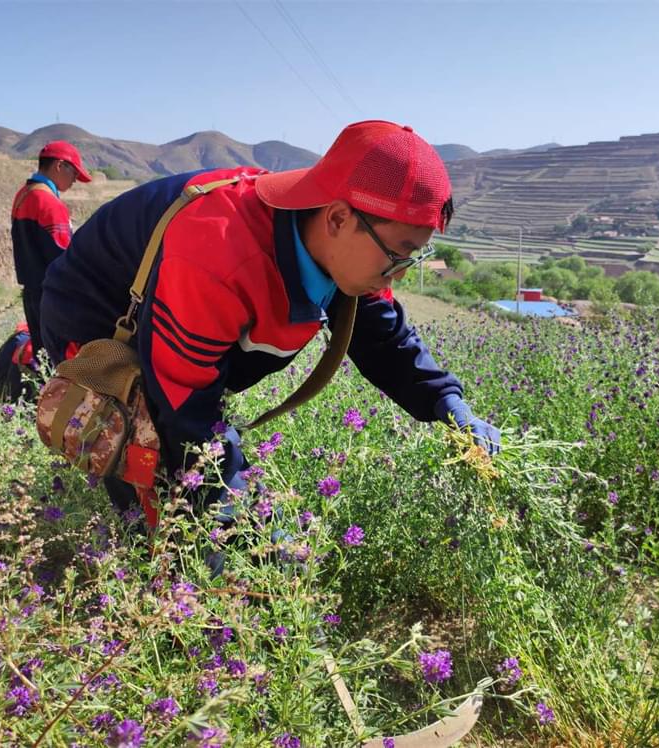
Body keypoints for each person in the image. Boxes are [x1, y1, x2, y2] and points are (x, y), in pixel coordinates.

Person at [40, 120, 499, 525]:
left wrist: (446, 404)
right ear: (338, 218)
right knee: (147, 461)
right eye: (398, 254)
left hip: (181, 315)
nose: (398, 273)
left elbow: (384, 339)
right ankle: (151, 573)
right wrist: (251, 520)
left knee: (201, 481)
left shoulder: (349, 248)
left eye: (413, 257)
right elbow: (186, 406)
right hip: (102, 318)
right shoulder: (219, 254)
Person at [10, 140, 91, 357]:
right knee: (62, 358)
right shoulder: (50, 204)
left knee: (42, 355)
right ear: (59, 166)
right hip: (53, 296)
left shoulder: (23, 194)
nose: (75, 180)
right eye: (74, 172)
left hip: (32, 292)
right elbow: (65, 259)